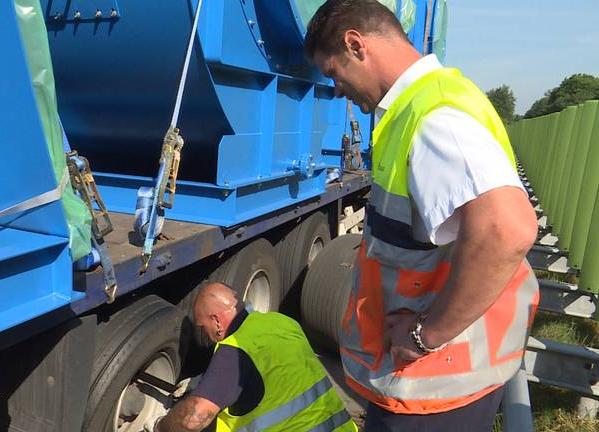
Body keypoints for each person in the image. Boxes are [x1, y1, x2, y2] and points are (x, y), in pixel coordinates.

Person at [303, 1, 540, 430]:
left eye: (334, 73)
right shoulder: (431, 101)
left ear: (355, 44)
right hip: (443, 377)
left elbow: (508, 230)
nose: (336, 90)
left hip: (434, 388)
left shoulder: (435, 118)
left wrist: (423, 336)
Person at [153, 282, 358, 432]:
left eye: (202, 327)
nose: (205, 334)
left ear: (216, 321)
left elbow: (192, 420)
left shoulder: (234, 351)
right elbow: (270, 370)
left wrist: (161, 425)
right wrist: (209, 382)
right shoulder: (281, 321)